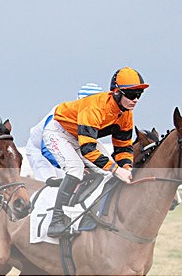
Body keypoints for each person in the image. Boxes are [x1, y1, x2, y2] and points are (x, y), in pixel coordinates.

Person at [42, 67, 147, 237]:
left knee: (107, 174)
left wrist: (126, 167)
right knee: (75, 169)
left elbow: (123, 147)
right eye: (131, 94)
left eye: (139, 94)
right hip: (59, 133)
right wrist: (116, 169)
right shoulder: (95, 108)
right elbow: (88, 149)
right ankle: (56, 221)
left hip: (82, 137)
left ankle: (88, 212)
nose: (135, 99)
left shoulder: (126, 114)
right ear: (116, 92)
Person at [25, 84, 104, 182]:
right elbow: (47, 147)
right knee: (66, 178)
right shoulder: (61, 114)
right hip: (41, 150)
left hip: (68, 145)